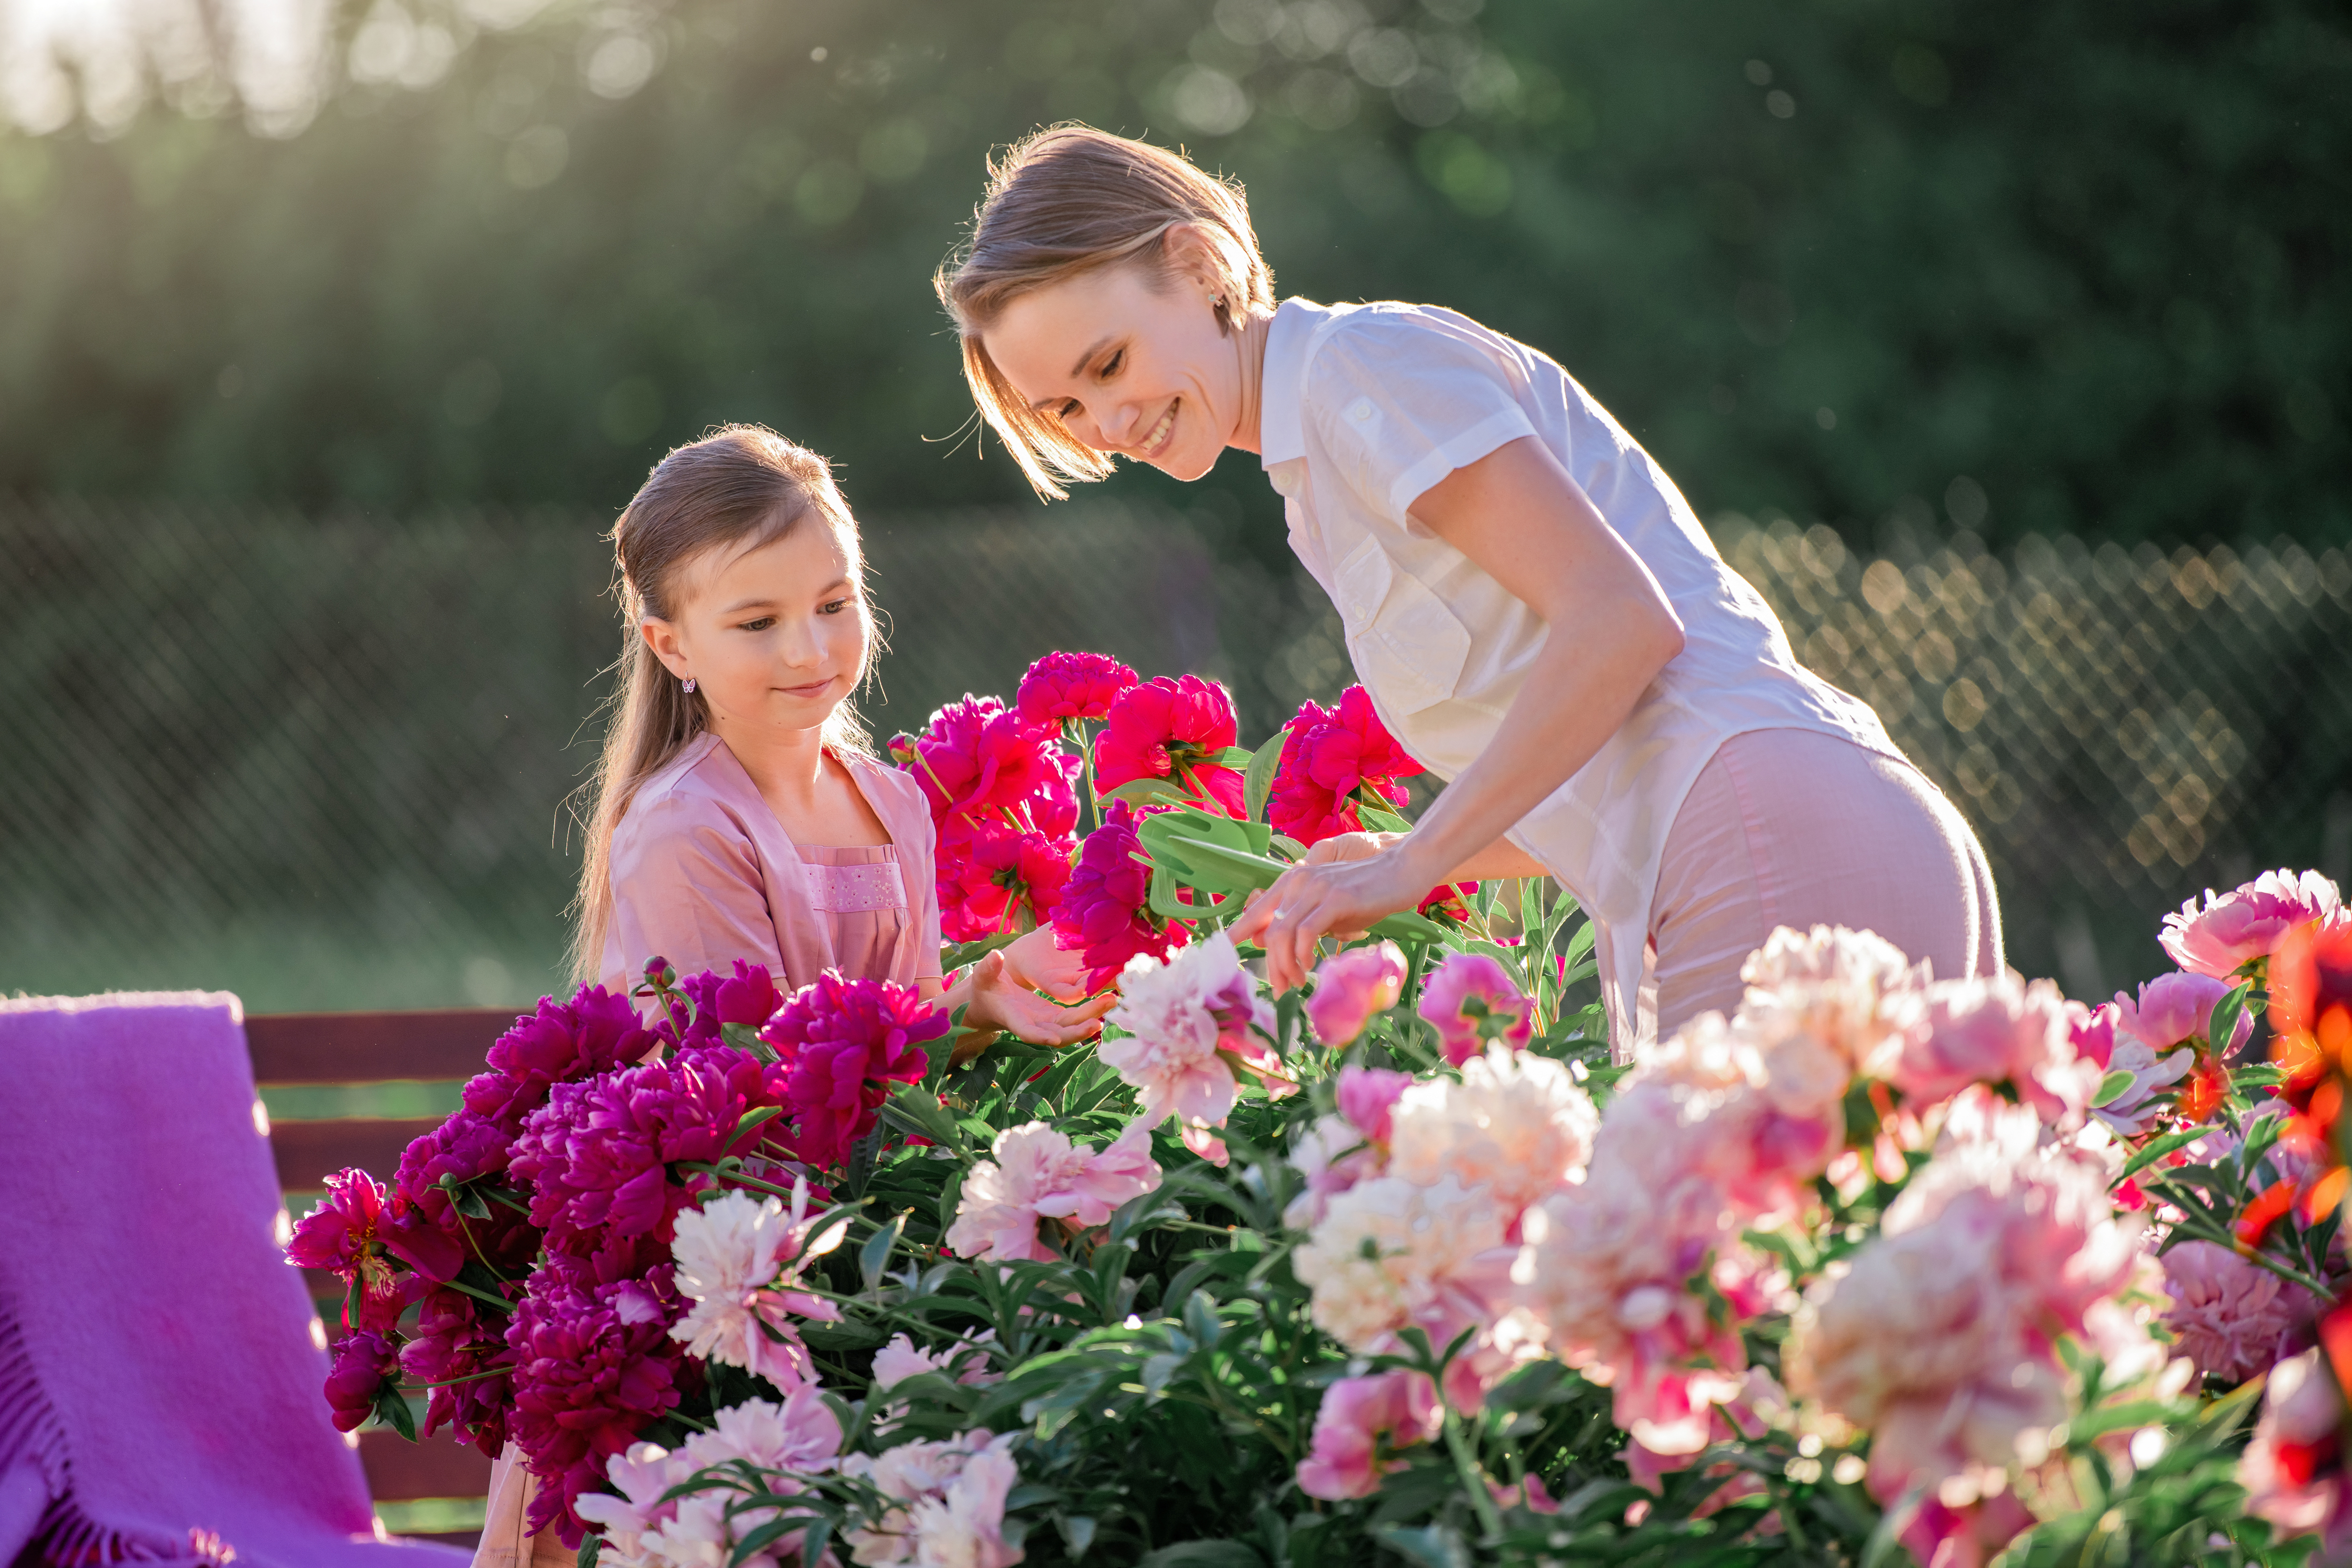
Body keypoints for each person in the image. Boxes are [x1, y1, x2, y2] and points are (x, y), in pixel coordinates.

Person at [933, 125, 2002, 1059]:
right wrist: (1391, 856)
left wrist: (1418, 860)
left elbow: (1625, 626)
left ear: (1200, 261)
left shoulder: (1363, 373)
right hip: (1789, 827)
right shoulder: (1320, 460)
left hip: (1769, 832)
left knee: (1718, 1277)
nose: (1108, 424)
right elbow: (1601, 739)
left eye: (1110, 362)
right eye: (1066, 407)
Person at [475, 423, 1108, 1566]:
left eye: (834, 600)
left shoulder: (890, 801)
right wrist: (956, 1009)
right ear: (671, 644)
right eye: (757, 622)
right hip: (711, 1293)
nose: (810, 646)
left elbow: (898, 1058)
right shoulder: (685, 827)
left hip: (862, 1253)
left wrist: (992, 1000)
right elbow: (753, 1104)